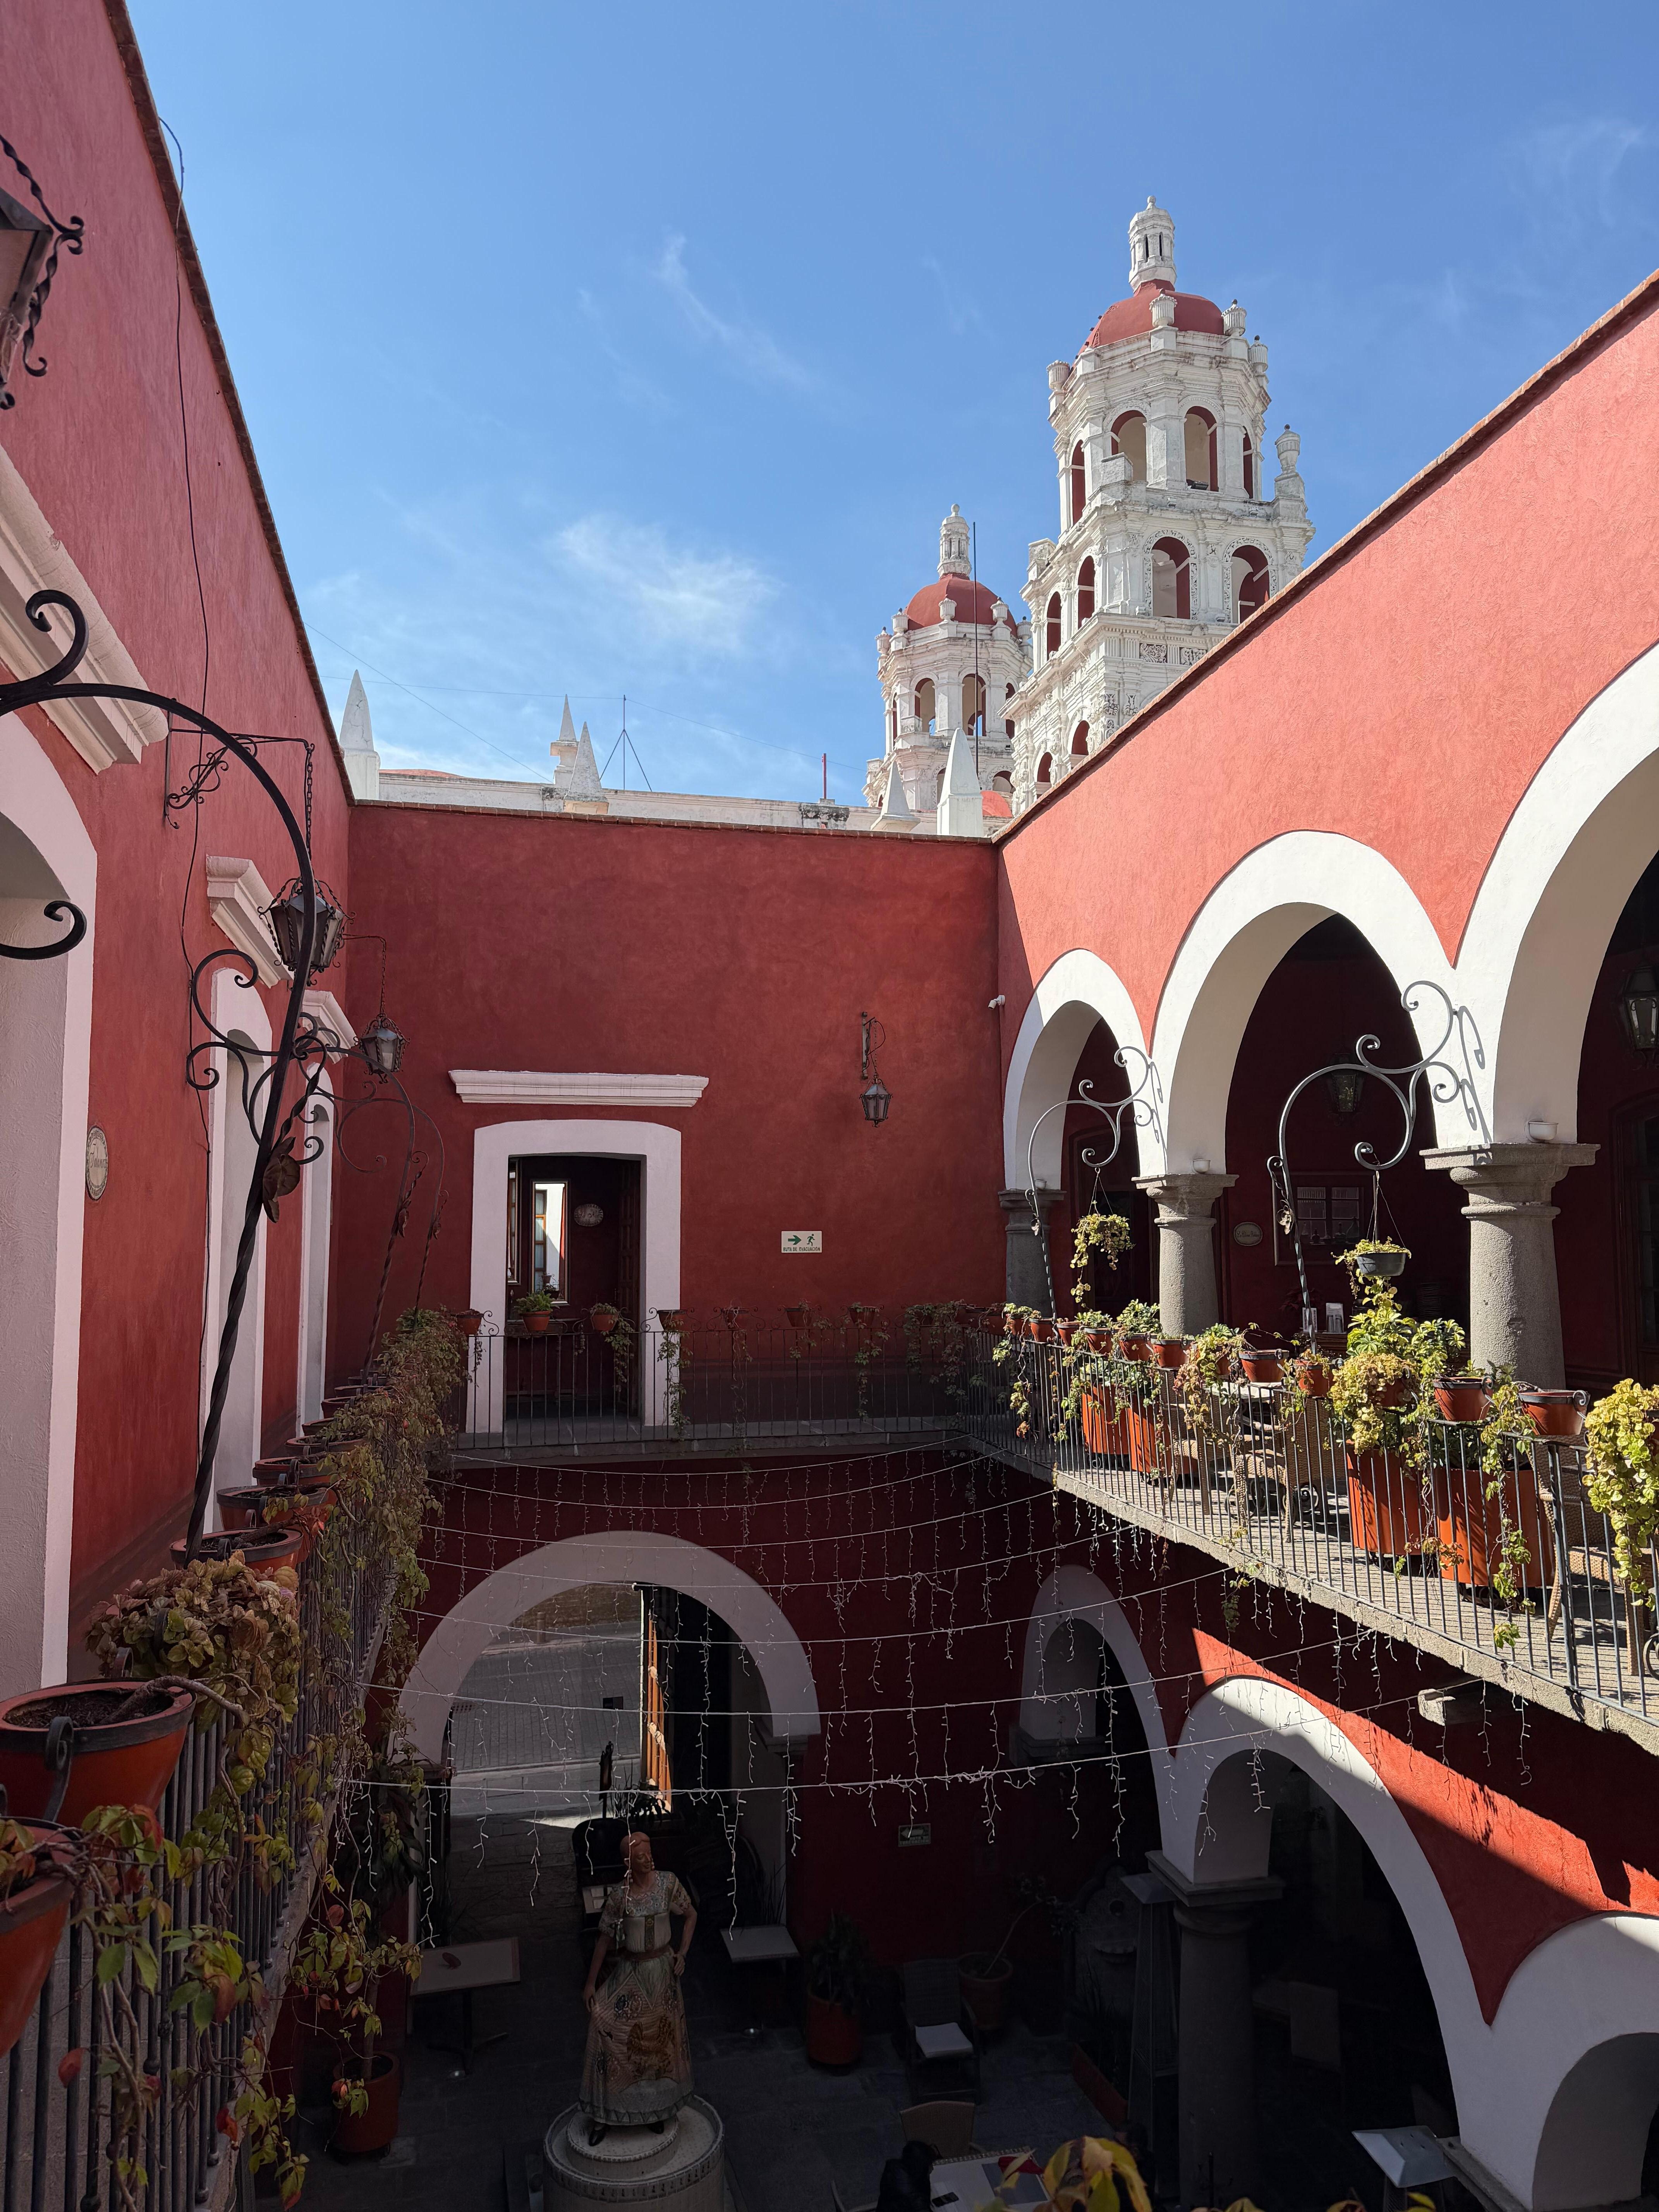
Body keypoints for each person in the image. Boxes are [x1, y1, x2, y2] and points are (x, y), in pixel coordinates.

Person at [578, 1830, 697, 2145]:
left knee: (661, 2043)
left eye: (649, 1853)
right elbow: (604, 1939)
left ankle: (657, 2108)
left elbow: (691, 1915)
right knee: (602, 2020)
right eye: (641, 1856)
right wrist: (591, 1983)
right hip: (630, 1972)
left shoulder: (668, 1883)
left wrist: (683, 1953)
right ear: (628, 1862)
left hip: (663, 1971)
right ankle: (605, 2112)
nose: (648, 1859)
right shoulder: (621, 1896)